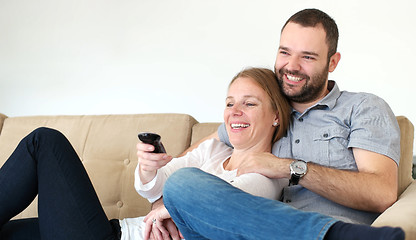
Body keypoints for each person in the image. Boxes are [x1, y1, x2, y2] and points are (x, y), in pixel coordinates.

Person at [150, 8, 403, 240]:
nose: (291, 66)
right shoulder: (263, 112)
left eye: (308, 57)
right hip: (244, 233)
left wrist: (288, 168)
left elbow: (381, 193)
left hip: (333, 224)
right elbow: (189, 159)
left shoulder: (362, 108)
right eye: (284, 52)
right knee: (182, 183)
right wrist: (166, 202)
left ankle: (333, 234)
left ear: (333, 62)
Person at [0, 68, 288, 239]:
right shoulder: (214, 149)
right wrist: (150, 168)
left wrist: (168, 206)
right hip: (116, 229)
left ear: (276, 114)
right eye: (229, 103)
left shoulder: (266, 176)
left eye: (249, 104)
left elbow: (220, 207)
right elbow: (158, 183)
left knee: (44, 142)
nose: (235, 112)